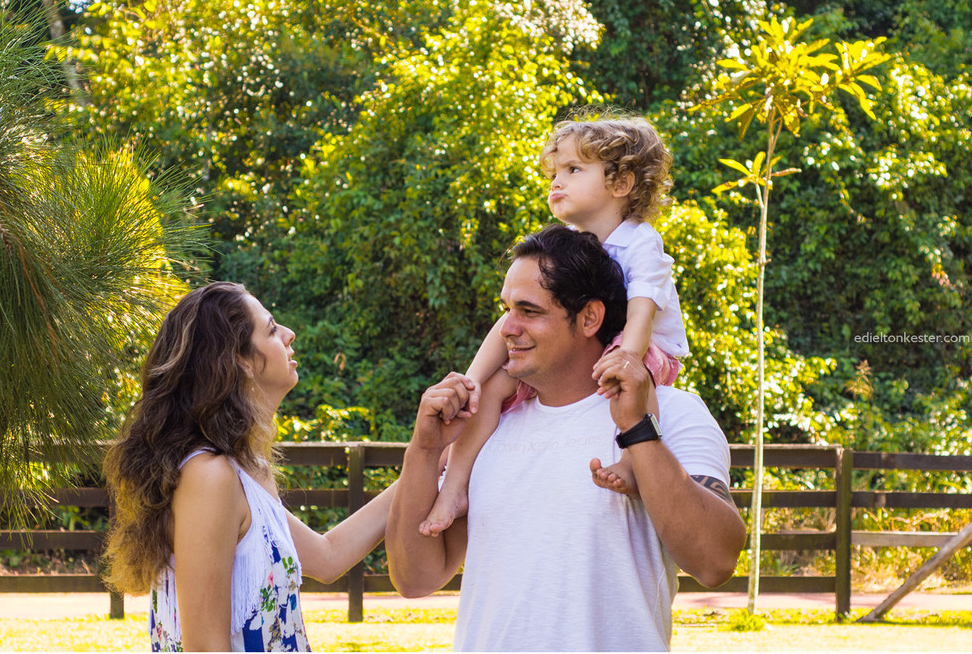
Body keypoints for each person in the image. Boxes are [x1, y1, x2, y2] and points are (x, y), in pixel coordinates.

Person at [386, 225, 745, 652]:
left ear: (590, 317)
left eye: (528, 311)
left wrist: (638, 431)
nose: (506, 329)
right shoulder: (490, 424)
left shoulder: (673, 412)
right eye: (506, 310)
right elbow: (415, 577)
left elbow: (716, 561)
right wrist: (424, 450)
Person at [421, 110, 689, 536]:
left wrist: (625, 360)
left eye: (574, 169)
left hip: (643, 345)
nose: (557, 181)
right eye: (556, 171)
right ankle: (455, 482)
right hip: (592, 341)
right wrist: (471, 381)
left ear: (621, 184)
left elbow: (641, 310)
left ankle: (634, 459)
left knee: (637, 380)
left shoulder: (641, 242)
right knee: (494, 388)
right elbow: (508, 320)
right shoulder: (564, 245)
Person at [102, 281, 397, 652]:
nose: (290, 335)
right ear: (240, 359)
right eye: (272, 329)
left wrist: (429, 457)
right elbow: (205, 647)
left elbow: (327, 557)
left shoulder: (241, 470)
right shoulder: (209, 477)